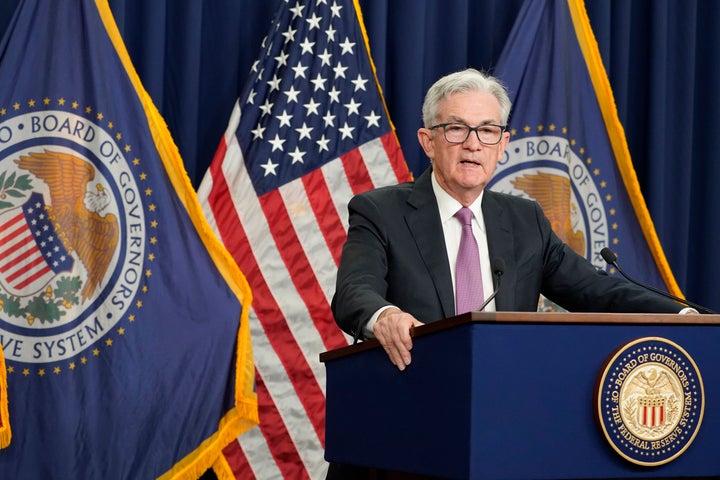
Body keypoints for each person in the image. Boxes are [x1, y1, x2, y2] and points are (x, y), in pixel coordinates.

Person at [331, 67, 691, 376]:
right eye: (456, 128)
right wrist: (385, 316)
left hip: (502, 406)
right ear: (428, 141)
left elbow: (595, 291)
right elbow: (353, 292)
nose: (473, 144)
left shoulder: (525, 220)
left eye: (487, 131)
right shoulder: (380, 211)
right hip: (410, 401)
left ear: (502, 145)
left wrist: (683, 315)